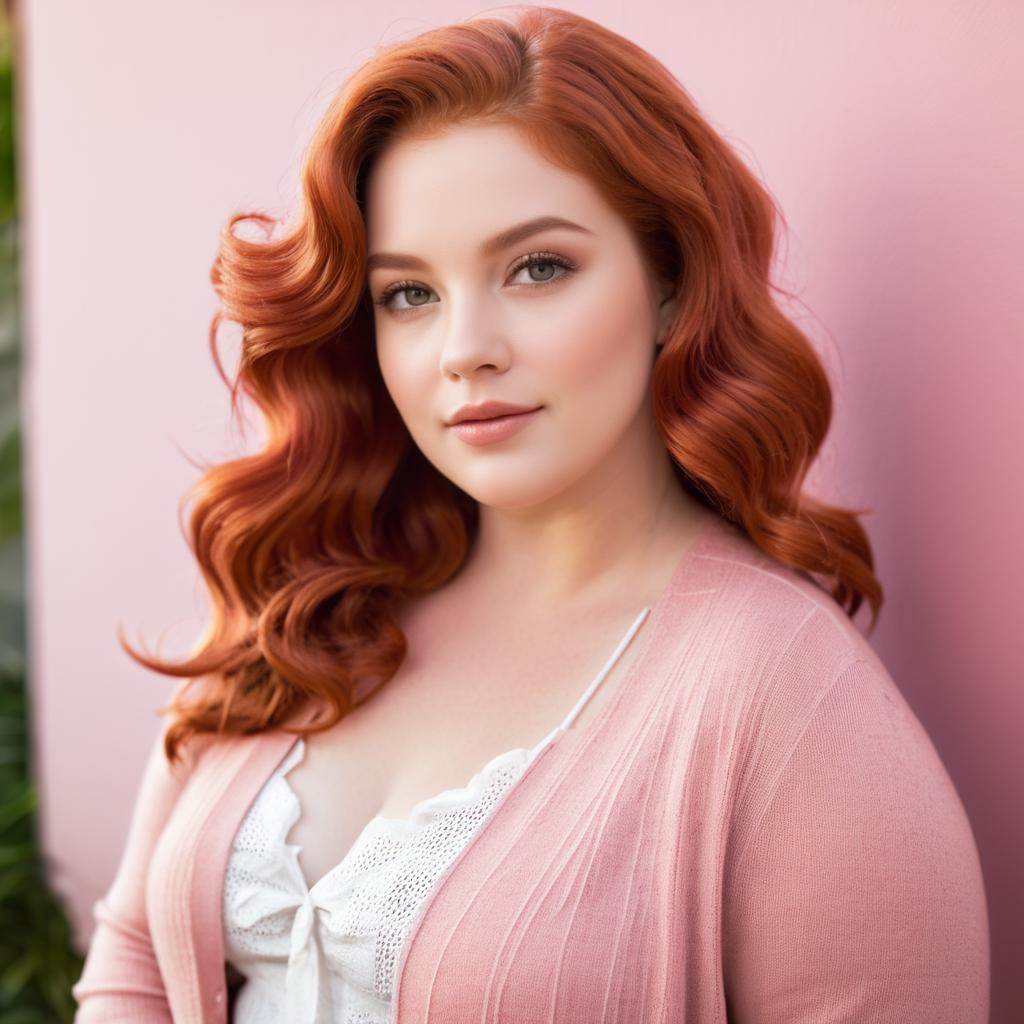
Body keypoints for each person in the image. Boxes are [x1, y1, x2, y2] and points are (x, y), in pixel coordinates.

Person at [71, 6, 989, 1022]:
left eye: (537, 267)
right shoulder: (310, 598)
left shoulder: (784, 703)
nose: (465, 347)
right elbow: (135, 965)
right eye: (408, 294)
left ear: (672, 285)